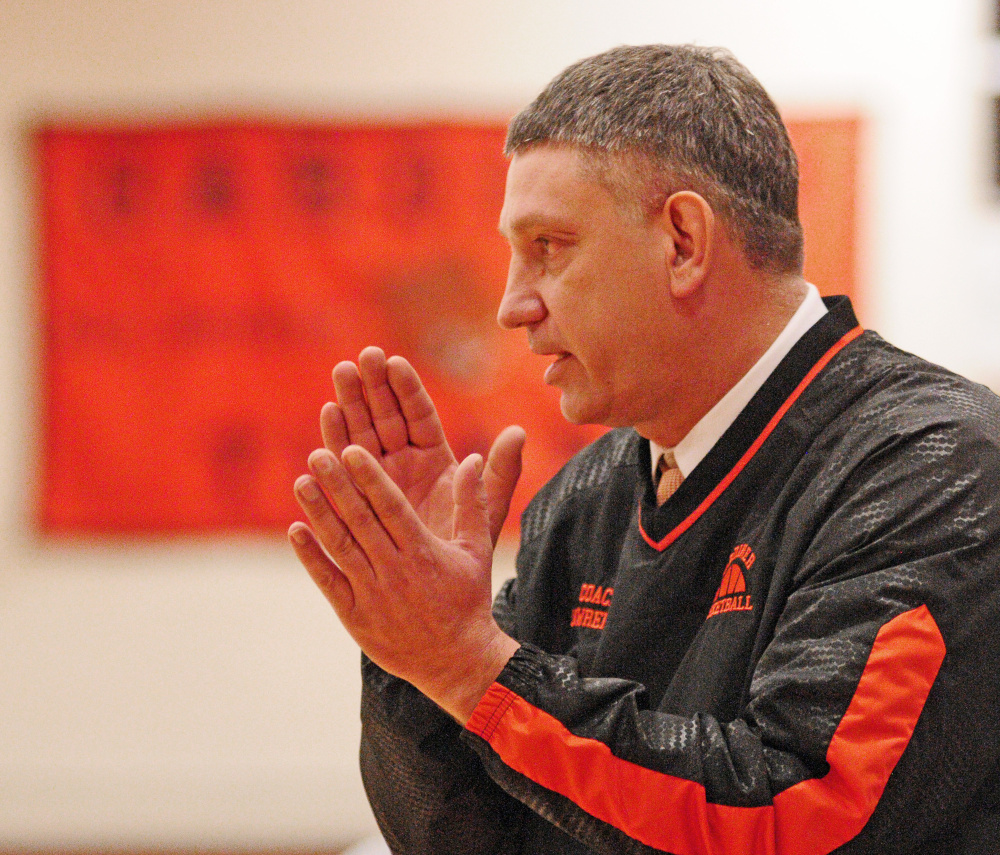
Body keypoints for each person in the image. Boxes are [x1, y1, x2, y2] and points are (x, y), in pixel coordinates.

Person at [288, 44, 1000, 854]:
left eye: (549, 247)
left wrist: (468, 667)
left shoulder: (935, 463)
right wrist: (411, 647)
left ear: (683, 242)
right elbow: (464, 837)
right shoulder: (583, 498)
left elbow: (799, 821)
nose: (512, 306)